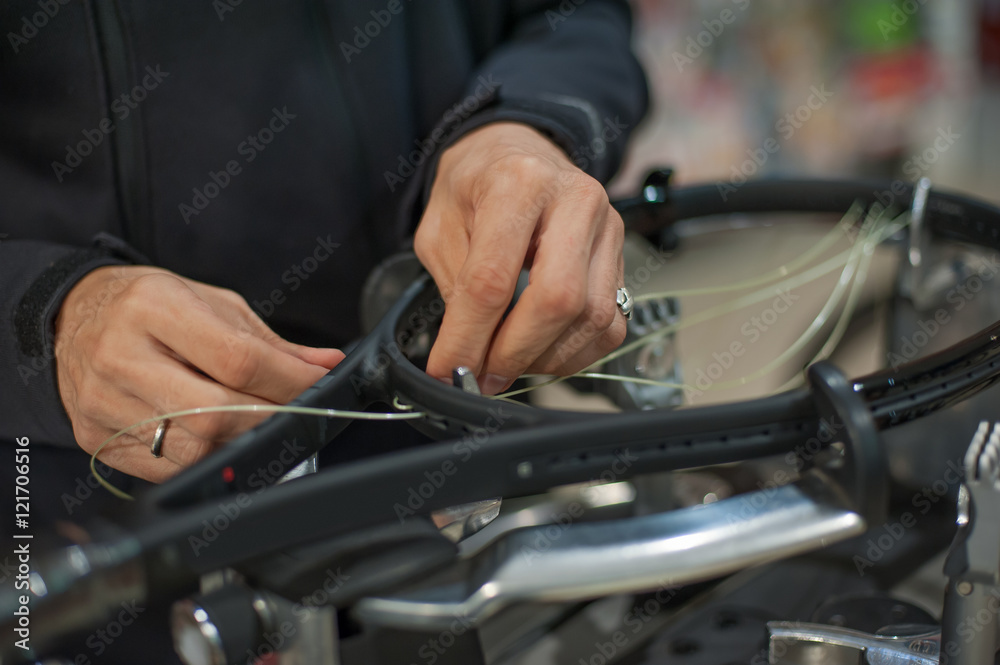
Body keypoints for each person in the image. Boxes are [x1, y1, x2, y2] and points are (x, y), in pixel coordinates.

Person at [1, 1, 648, 486]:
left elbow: (573, 15)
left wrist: (524, 126)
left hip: (478, 461)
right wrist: (48, 321)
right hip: (85, 510)